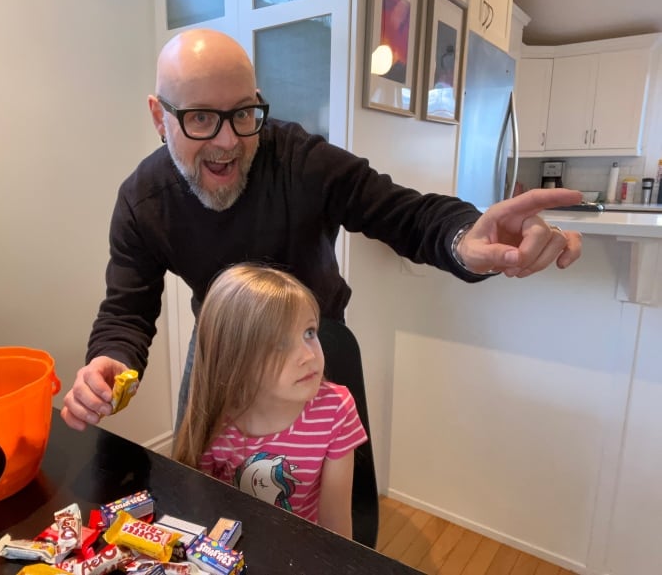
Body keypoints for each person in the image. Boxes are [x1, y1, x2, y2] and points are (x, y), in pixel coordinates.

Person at [60, 28, 583, 434]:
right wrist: (110, 361)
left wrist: (464, 239)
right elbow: (126, 311)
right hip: (220, 347)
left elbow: (402, 211)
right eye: (199, 118)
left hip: (317, 342)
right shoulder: (142, 201)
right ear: (159, 116)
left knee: (339, 523)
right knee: (204, 498)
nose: (227, 141)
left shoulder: (301, 160)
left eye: (244, 113)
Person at [173, 263, 367, 537]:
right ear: (235, 359)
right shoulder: (217, 415)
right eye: (279, 344)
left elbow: (336, 529)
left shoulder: (335, 410)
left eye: (309, 332)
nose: (309, 355)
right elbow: (203, 513)